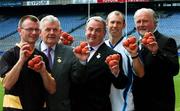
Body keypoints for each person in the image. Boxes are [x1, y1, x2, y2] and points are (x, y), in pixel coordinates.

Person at [71, 16, 129, 111]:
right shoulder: (76, 52)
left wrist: (116, 73)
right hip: (75, 106)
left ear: (104, 33)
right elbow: (75, 79)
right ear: (85, 31)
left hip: (98, 107)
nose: (93, 33)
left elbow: (121, 84)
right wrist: (82, 62)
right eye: (90, 29)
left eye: (98, 30)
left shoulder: (112, 55)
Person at [0, 15, 56, 111]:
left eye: (37, 29)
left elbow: (52, 89)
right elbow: (7, 84)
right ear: (20, 31)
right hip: (15, 108)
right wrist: (21, 60)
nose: (34, 33)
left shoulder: (42, 56)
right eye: (29, 29)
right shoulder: (9, 55)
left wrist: (43, 71)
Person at [133, 8, 179, 111]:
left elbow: (174, 70)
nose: (141, 24)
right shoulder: (135, 45)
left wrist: (156, 52)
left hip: (159, 105)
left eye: (145, 21)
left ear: (155, 23)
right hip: (139, 104)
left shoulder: (166, 41)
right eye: (138, 21)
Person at [105, 10, 144, 111]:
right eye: (112, 22)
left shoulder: (130, 46)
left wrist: (134, 55)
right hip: (102, 104)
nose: (115, 25)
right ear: (106, 24)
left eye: (118, 23)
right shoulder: (101, 46)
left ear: (124, 25)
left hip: (124, 105)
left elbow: (140, 73)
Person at [38, 15, 79, 111]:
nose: (52, 33)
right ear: (40, 32)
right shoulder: (31, 52)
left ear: (60, 32)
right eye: (48, 29)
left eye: (55, 30)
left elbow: (78, 80)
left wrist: (82, 62)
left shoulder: (71, 52)